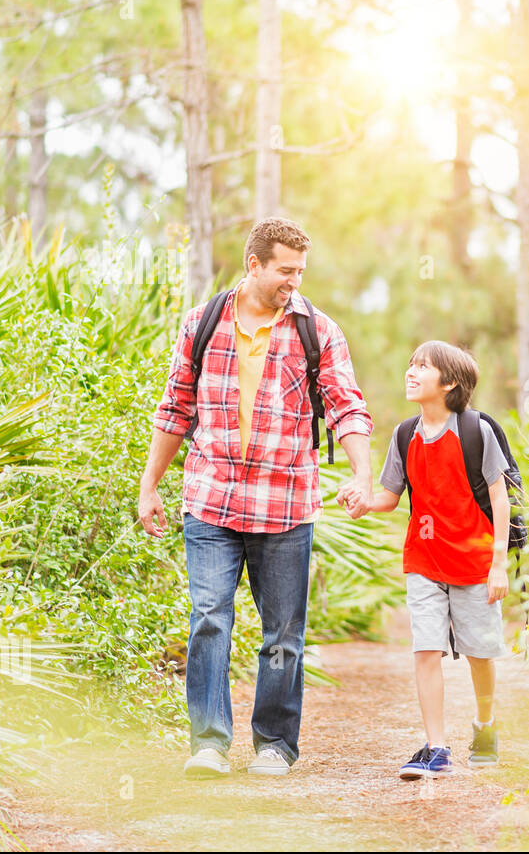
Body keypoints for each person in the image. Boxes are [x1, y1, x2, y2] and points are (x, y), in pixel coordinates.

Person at [137, 217, 374, 778]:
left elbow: (347, 406)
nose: (294, 282)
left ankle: (274, 744)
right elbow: (175, 409)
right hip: (212, 497)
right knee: (210, 619)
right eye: (285, 272)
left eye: (300, 272)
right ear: (254, 264)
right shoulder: (203, 322)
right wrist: (150, 485)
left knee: (284, 632)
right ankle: (209, 743)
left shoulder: (318, 330)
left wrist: (362, 474)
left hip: (285, 504)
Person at [351, 340, 510, 778]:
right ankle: (437, 748)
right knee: (426, 649)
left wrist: (499, 561)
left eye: (423, 366)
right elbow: (390, 496)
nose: (411, 372)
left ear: (450, 382)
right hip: (424, 559)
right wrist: (363, 500)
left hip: (475, 560)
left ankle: (485, 724)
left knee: (480, 653)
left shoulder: (476, 431)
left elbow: (500, 497)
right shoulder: (405, 434)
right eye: (411, 364)